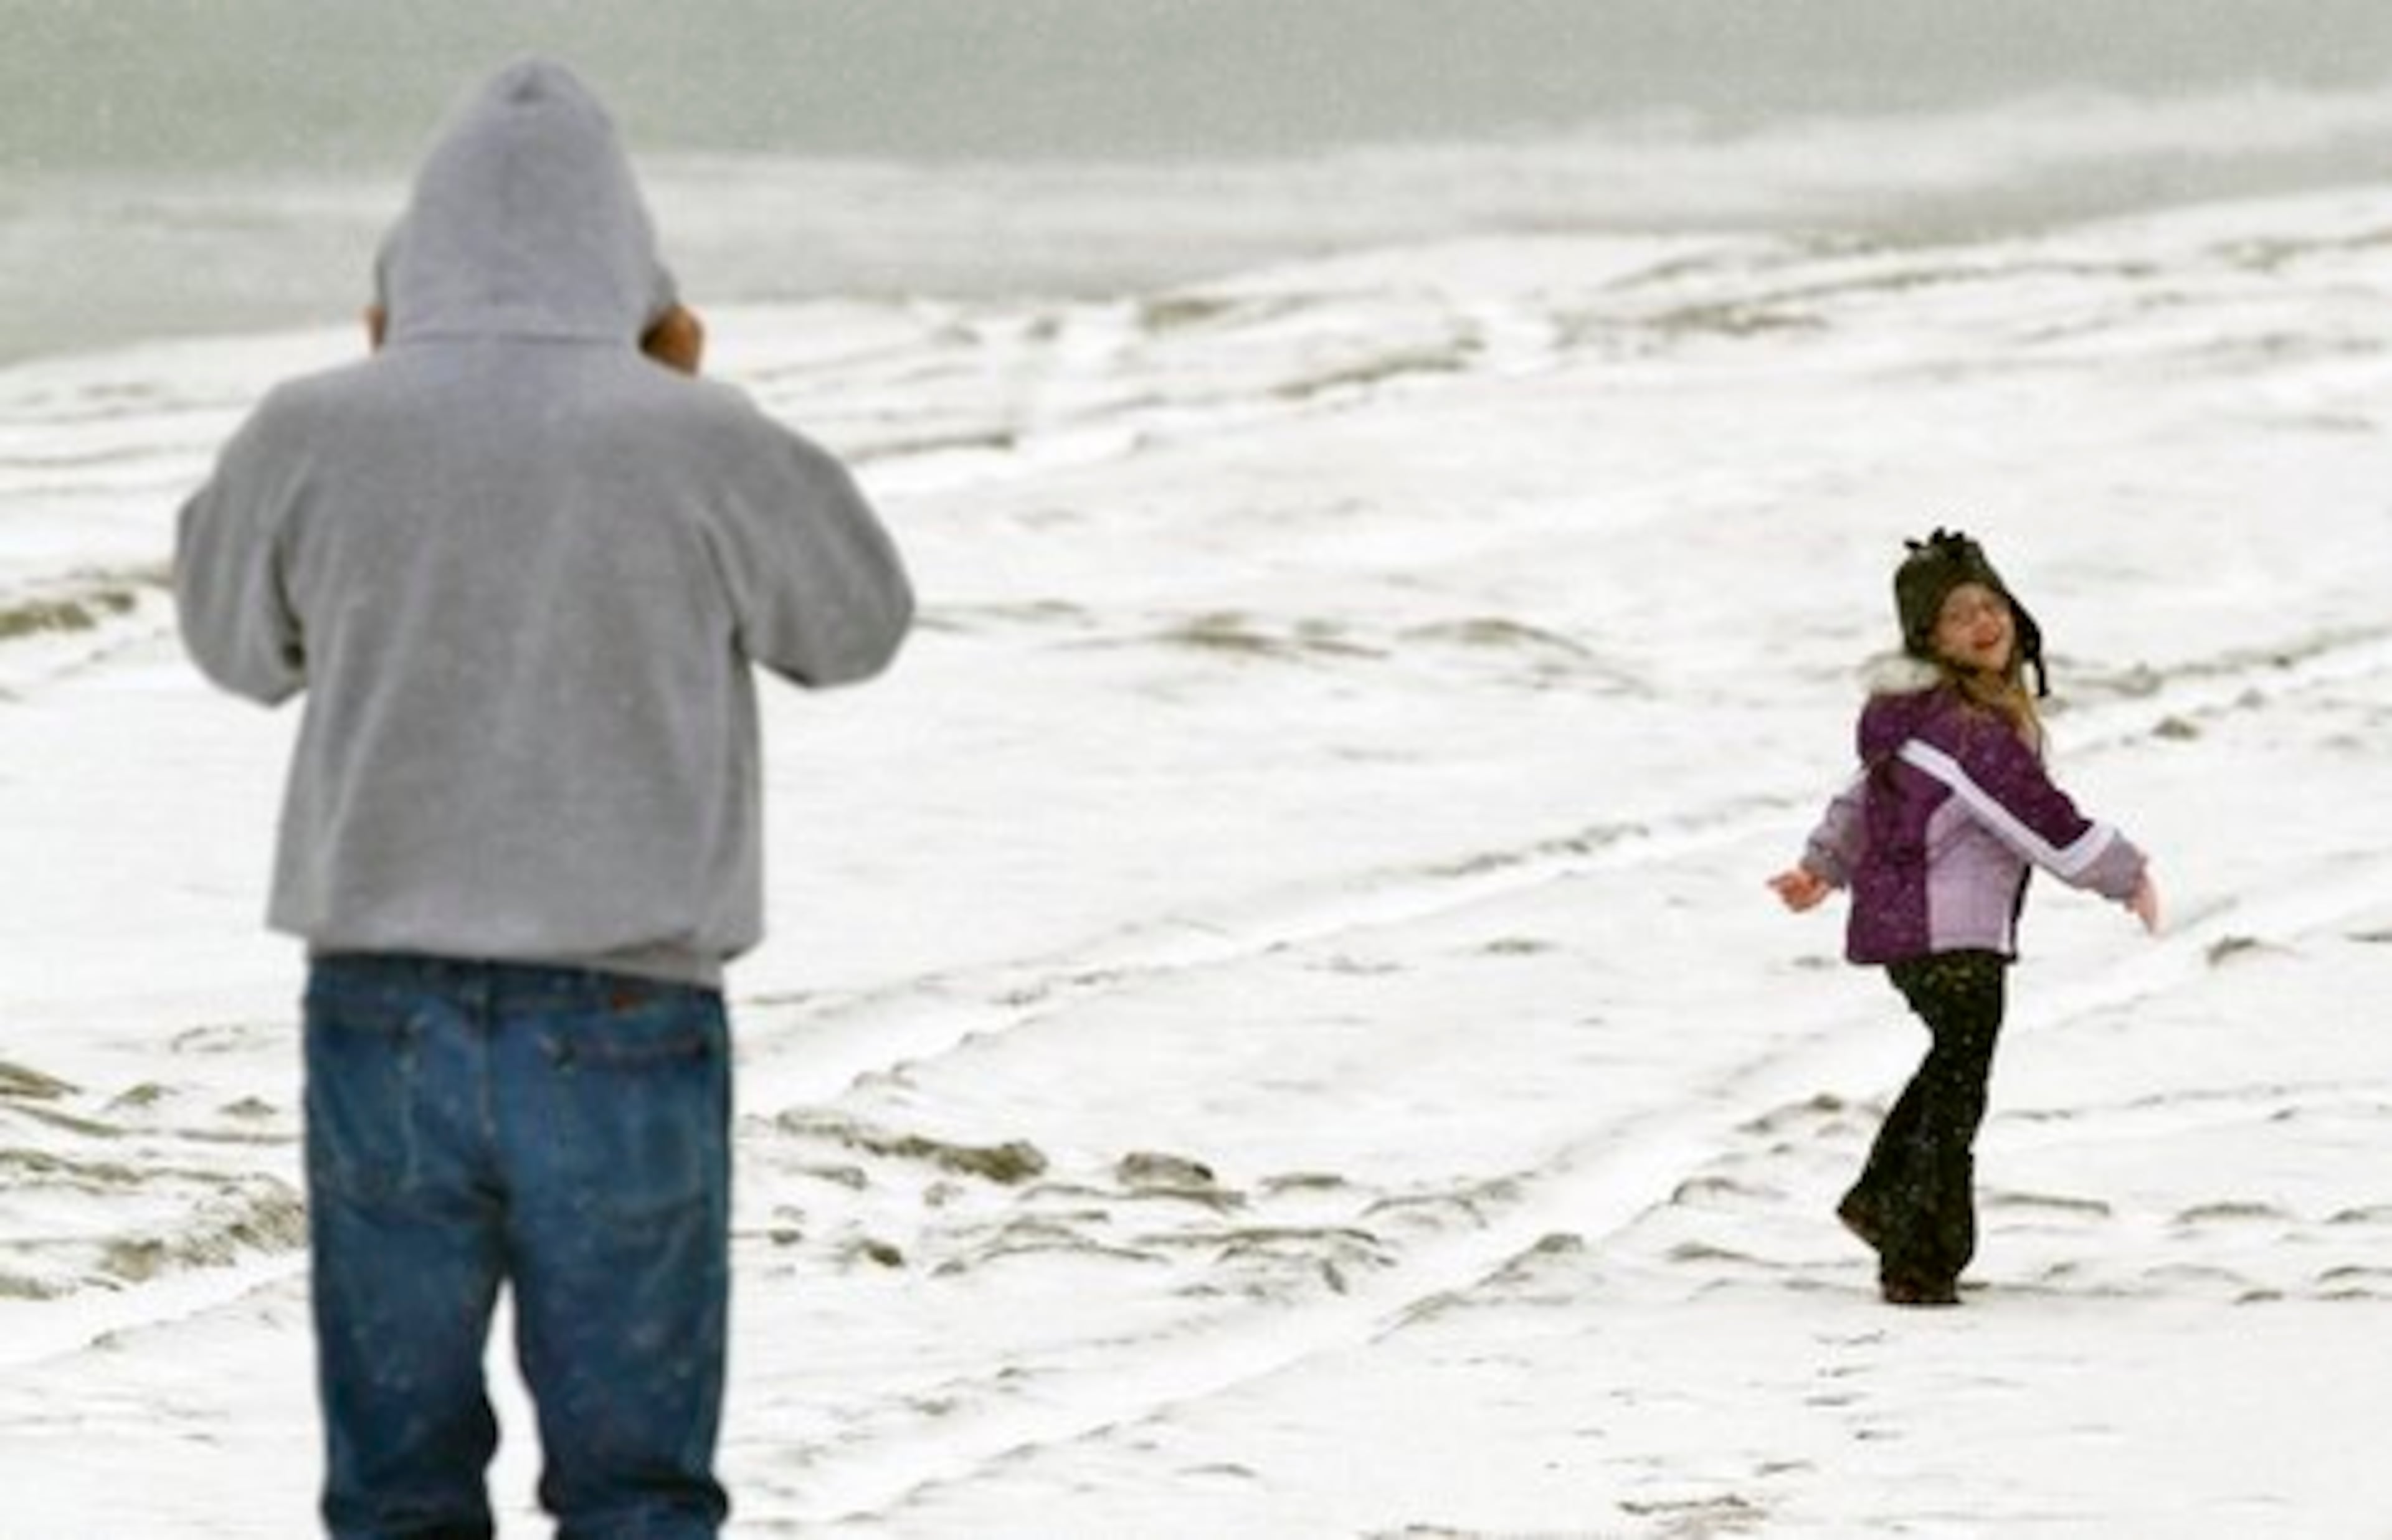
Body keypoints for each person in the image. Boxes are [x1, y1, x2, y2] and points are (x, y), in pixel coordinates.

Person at [174, 59, 913, 1537]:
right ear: (634, 268)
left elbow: (234, 649)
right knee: (635, 1484)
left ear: (410, 260)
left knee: (395, 1484)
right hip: (627, 1005)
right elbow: (856, 627)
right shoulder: (699, 438)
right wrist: (682, 390)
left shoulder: (311, 428)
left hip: (380, 1007)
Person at [1768, 529, 2157, 1306]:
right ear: (1929, 638)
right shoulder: (1968, 730)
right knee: (1959, 1081)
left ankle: (1888, 1205)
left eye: (1991, 606)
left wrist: (1823, 864)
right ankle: (1915, 1253)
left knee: (1953, 1067)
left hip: (1916, 930)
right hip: (1950, 933)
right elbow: (2039, 816)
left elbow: (1862, 795)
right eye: (1959, 617)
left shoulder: (1919, 719)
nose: (1985, 624)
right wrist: (2125, 872)